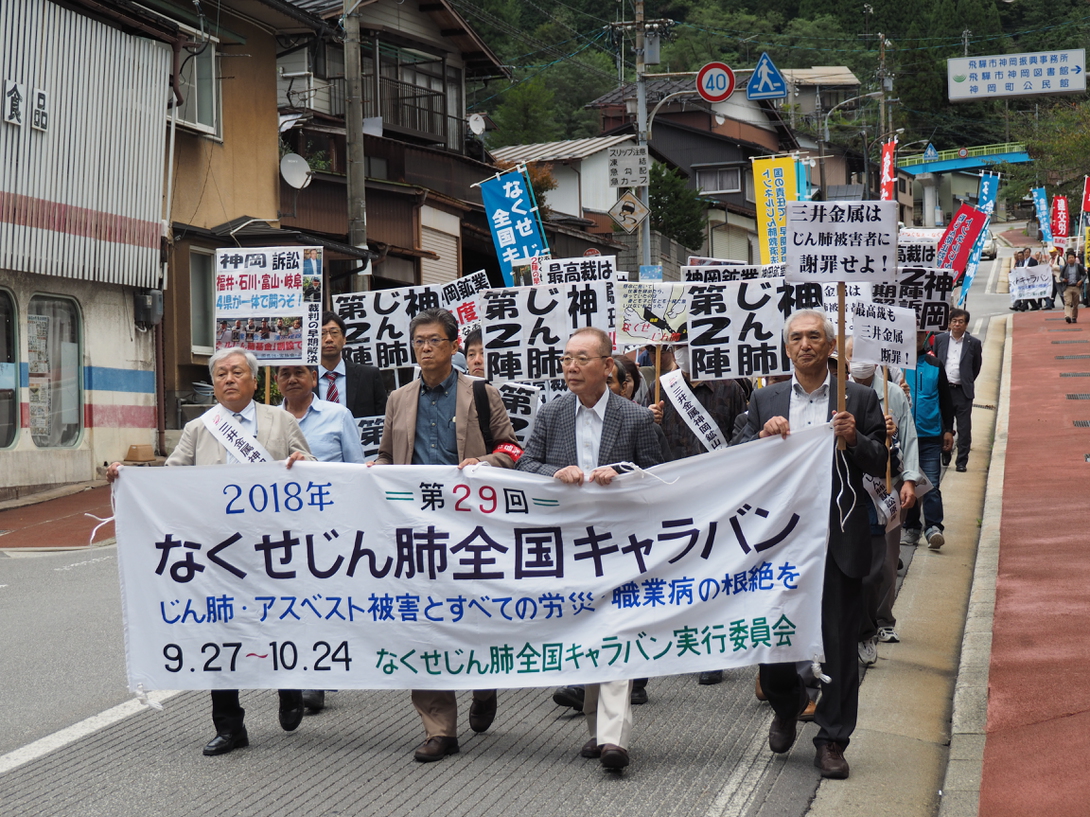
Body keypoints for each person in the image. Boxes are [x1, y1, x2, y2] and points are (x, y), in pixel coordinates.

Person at [106, 348, 313, 756]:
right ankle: (230, 726)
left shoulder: (280, 419)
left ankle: (290, 688)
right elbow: (170, 480)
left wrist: (300, 461)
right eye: (221, 374)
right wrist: (127, 476)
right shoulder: (200, 428)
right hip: (217, 552)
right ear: (213, 383)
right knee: (219, 633)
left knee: (278, 622)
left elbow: (310, 465)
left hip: (272, 549)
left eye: (238, 372)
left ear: (255, 381)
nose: (230, 379)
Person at [736, 309, 887, 780]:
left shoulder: (858, 398)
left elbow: (881, 460)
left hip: (837, 538)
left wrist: (854, 439)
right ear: (786, 348)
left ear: (830, 345)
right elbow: (739, 458)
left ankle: (832, 739)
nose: (805, 344)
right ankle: (787, 704)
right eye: (797, 338)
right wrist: (762, 439)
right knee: (775, 640)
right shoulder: (765, 400)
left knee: (839, 644)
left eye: (815, 337)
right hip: (780, 544)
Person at [372, 308, 520, 763]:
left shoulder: (480, 393)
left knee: (476, 612)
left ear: (454, 345)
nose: (426, 348)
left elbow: (512, 448)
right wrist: (373, 470)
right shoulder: (398, 398)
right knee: (422, 620)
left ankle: (484, 682)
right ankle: (439, 727)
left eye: (435, 340)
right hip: (415, 530)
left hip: (472, 527)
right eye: (419, 341)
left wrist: (485, 465)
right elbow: (383, 455)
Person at [517, 327, 664, 771]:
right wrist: (555, 472)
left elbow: (655, 474)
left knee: (618, 627)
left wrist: (620, 472)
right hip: (566, 543)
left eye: (582, 359)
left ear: (606, 366)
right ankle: (596, 728)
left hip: (619, 542)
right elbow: (527, 463)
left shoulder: (635, 417)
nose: (571, 367)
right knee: (587, 630)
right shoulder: (552, 413)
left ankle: (614, 738)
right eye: (566, 359)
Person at [843, 338, 920, 659]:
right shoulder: (837, 393)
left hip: (885, 490)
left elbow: (908, 437)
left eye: (863, 355)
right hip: (849, 492)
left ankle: (881, 619)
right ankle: (855, 628)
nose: (858, 361)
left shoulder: (893, 393)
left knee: (883, 566)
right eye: (851, 355)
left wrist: (910, 481)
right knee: (847, 567)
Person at [902, 331, 954, 549]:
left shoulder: (935, 364)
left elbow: (946, 400)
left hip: (930, 436)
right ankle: (912, 527)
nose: (915, 337)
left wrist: (948, 430)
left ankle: (933, 528)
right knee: (909, 483)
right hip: (904, 438)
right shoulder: (894, 368)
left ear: (926, 335)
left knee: (931, 484)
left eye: (920, 333)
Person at [933, 309, 983, 472]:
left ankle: (962, 461)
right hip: (943, 390)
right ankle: (945, 452)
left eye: (961, 321)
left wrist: (966, 381)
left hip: (962, 391)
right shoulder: (940, 339)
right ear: (949, 323)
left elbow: (976, 367)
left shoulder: (973, 343)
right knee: (942, 425)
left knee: (964, 428)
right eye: (954, 321)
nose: (957, 324)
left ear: (966, 324)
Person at [319, 311, 388, 419]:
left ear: (344, 339)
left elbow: (384, 420)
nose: (329, 339)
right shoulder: (304, 379)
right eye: (322, 334)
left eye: (334, 333)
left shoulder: (369, 376)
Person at [1056, 250, 1087, 324]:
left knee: (1075, 304)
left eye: (1072, 257)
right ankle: (1067, 316)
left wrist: (1081, 281)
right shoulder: (1065, 267)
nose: (1071, 259)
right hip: (1067, 287)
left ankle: (1074, 317)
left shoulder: (1079, 266)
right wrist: (1063, 279)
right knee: (1067, 302)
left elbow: (1084, 275)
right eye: (1069, 258)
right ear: (1067, 259)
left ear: (1074, 258)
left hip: (1076, 286)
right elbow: (1060, 277)